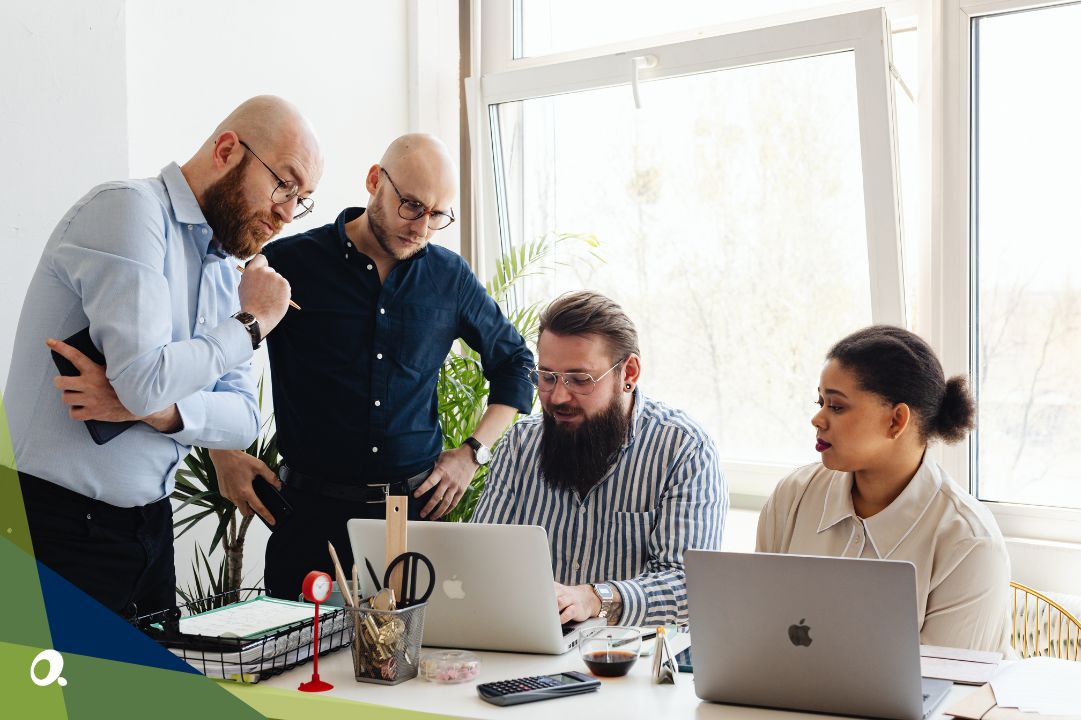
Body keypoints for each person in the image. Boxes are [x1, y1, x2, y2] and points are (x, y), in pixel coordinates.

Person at [4, 95, 323, 617]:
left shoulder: (226, 270)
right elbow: (144, 381)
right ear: (226, 150)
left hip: (149, 530)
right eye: (284, 184)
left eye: (302, 198)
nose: (287, 213)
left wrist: (158, 412)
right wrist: (252, 323)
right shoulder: (128, 211)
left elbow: (241, 419)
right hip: (52, 529)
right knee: (49, 701)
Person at [209, 133, 534, 601]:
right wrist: (221, 455)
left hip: (414, 520)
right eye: (411, 206)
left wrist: (471, 454)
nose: (422, 227)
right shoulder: (288, 264)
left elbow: (517, 365)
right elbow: (211, 351)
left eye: (437, 215)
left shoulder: (450, 277)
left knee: (414, 668)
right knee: (299, 671)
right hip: (308, 522)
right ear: (374, 180)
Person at [472, 291, 727, 627]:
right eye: (547, 377)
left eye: (580, 380)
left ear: (630, 373)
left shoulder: (684, 450)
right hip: (531, 650)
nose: (559, 396)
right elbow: (478, 559)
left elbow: (688, 587)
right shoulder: (519, 444)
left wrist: (595, 598)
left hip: (637, 662)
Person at [756, 325, 1012, 654]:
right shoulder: (792, 497)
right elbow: (760, 632)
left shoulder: (969, 541)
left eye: (836, 406)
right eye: (820, 402)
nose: (817, 419)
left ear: (896, 421)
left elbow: (947, 688)